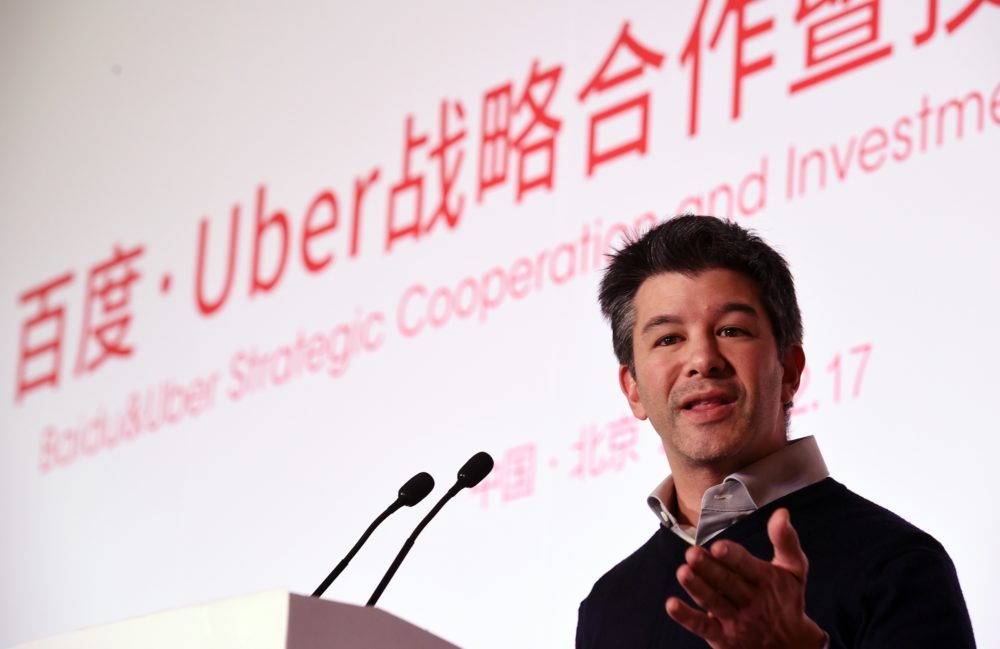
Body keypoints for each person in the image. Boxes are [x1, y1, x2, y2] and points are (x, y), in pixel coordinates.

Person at [576, 215, 975, 648]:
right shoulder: (607, 606)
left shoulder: (898, 563)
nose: (703, 359)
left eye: (731, 330)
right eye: (669, 339)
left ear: (789, 370)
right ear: (633, 389)